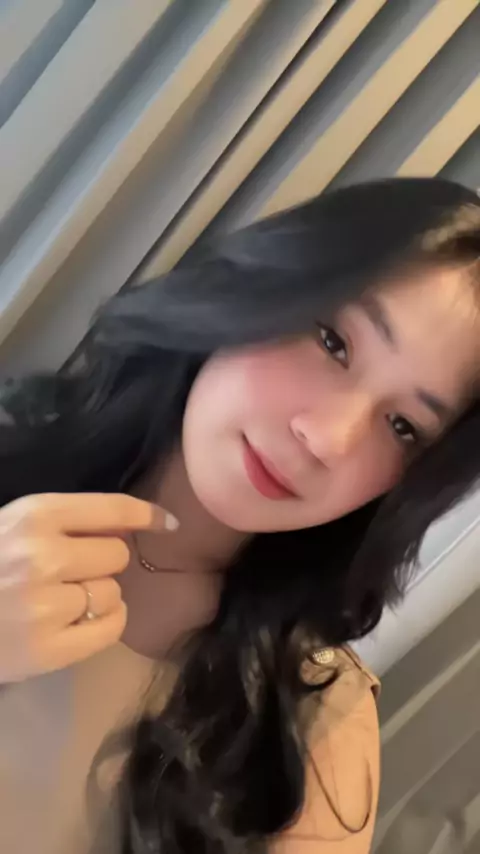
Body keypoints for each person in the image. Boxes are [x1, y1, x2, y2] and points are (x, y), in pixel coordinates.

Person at [0, 177, 479, 854]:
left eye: (402, 427)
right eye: (333, 342)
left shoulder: (311, 733)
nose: (327, 438)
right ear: (263, 286)